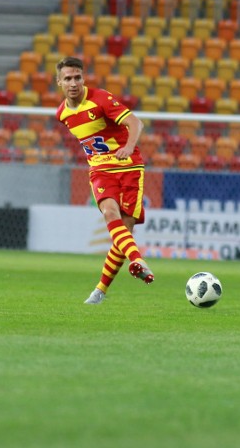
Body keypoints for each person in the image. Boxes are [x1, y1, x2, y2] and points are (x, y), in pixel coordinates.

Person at [55, 56, 153, 305]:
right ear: (60, 82)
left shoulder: (100, 99)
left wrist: (129, 146)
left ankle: (99, 291)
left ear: (83, 78)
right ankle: (138, 260)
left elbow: (135, 122)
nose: (74, 83)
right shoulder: (62, 114)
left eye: (77, 77)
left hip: (128, 166)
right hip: (99, 170)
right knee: (110, 214)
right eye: (68, 78)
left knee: (125, 232)